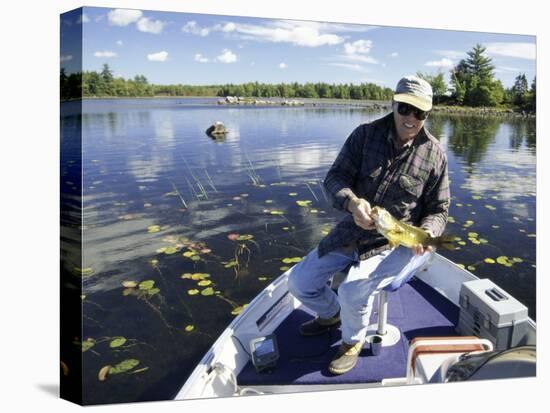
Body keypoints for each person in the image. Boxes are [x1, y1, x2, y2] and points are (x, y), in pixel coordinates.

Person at [287, 75, 450, 375]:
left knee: (351, 290)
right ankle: (331, 315)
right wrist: (351, 202)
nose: (411, 118)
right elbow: (334, 178)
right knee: (299, 282)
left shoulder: (435, 154)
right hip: (354, 231)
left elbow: (439, 209)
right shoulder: (364, 135)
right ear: (394, 103)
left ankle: (352, 341)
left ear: (427, 114)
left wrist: (428, 235)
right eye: (405, 108)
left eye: (420, 113)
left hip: (399, 243)